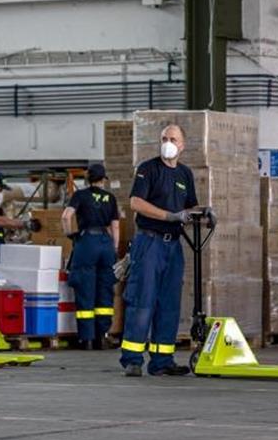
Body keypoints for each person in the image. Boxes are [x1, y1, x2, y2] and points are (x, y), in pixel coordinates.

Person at [120, 124, 209, 377]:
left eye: (173, 139)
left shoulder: (184, 174)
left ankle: (162, 360)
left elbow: (190, 207)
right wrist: (169, 215)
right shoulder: (148, 169)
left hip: (174, 245)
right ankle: (132, 358)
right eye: (164, 138)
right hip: (150, 242)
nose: (168, 142)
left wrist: (204, 212)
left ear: (182, 145)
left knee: (169, 302)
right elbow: (136, 203)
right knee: (143, 299)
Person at [62, 164, 120, 350]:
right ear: (103, 179)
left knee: (85, 288)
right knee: (105, 290)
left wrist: (70, 234)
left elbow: (66, 216)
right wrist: (114, 248)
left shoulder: (80, 196)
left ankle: (86, 338)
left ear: (88, 179)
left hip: (87, 241)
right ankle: (101, 336)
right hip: (105, 243)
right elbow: (115, 226)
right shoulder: (110, 198)